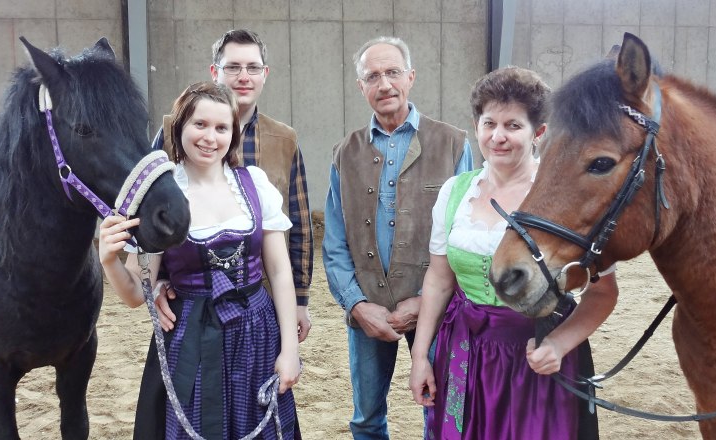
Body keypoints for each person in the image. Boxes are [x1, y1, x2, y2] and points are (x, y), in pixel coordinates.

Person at [408, 67, 619, 439]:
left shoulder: (568, 197)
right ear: (476, 126)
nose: (498, 137)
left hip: (535, 356)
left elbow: (603, 292)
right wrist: (420, 355)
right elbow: (439, 280)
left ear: (539, 133)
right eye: (489, 123)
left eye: (513, 125)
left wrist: (559, 343)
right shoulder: (455, 192)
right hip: (463, 352)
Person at [99, 82, 301, 439]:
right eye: (200, 124)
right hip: (189, 337)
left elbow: (280, 271)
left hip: (256, 333)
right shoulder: (162, 196)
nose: (210, 137)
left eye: (222, 127)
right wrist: (110, 261)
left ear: (233, 134)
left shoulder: (254, 184)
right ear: (179, 128)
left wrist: (290, 351)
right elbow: (134, 295)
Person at [323, 36, 474, 439]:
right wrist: (356, 305)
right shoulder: (344, 153)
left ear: (411, 77)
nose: (384, 84)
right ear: (361, 87)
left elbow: (467, 234)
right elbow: (334, 243)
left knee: (441, 410)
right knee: (366, 418)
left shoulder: (454, 144)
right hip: (367, 313)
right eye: (372, 76)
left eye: (392, 72)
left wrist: (428, 301)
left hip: (436, 311)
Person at [152, 29, 313, 342]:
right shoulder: (172, 132)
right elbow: (150, 218)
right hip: (189, 301)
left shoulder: (284, 139)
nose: (244, 76)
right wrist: (157, 282)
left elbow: (301, 224)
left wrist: (300, 299)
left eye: (253, 68)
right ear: (215, 72)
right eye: (233, 67)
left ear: (265, 74)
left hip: (263, 299)